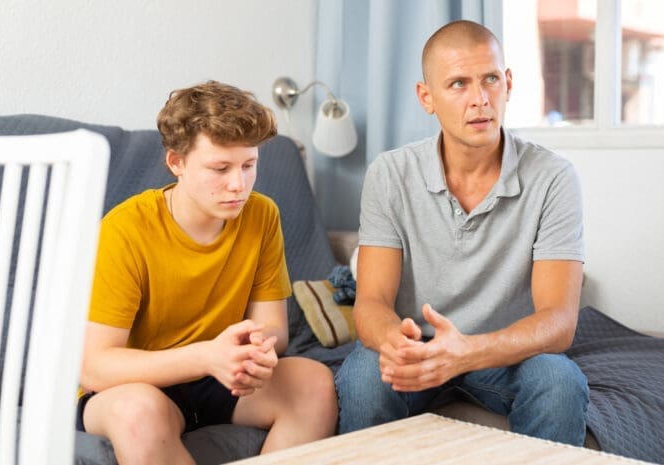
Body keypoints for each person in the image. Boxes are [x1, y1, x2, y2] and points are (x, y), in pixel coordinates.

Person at [335, 20, 589, 446]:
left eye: (491, 79)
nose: (480, 99)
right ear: (426, 97)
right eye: (458, 84)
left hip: (506, 355)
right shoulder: (390, 174)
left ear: (508, 83)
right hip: (417, 350)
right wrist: (394, 342)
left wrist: (469, 351)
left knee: (559, 381)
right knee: (363, 376)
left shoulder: (554, 177)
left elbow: (559, 322)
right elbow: (372, 303)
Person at [77, 80, 338, 465]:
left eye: (249, 165)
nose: (239, 185)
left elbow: (275, 331)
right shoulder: (125, 230)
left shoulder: (262, 215)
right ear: (176, 163)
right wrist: (207, 357)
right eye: (220, 168)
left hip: (219, 377)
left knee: (314, 384)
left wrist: (251, 352)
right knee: (137, 413)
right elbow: (97, 366)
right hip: (135, 385)